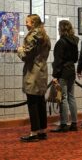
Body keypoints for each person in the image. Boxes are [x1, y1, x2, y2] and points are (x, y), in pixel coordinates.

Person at [17, 14, 51, 142]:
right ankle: (42, 131)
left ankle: (34, 132)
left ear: (33, 23)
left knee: (32, 102)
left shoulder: (32, 36)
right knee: (40, 101)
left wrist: (19, 50)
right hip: (42, 70)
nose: (26, 24)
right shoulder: (45, 35)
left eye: (27, 21)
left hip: (33, 72)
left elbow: (26, 56)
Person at [51, 20, 79, 132]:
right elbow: (76, 59)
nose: (58, 29)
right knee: (71, 97)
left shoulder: (61, 42)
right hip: (71, 71)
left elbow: (58, 61)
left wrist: (55, 75)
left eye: (59, 27)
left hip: (63, 72)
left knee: (63, 98)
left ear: (61, 29)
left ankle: (63, 124)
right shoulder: (74, 41)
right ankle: (74, 123)